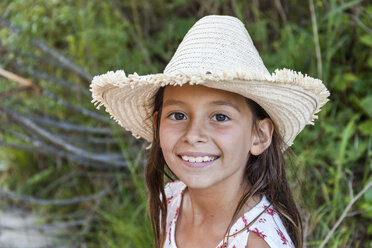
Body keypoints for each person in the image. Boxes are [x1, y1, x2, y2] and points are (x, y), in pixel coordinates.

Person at [90, 15, 329, 248]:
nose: (193, 134)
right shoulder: (171, 202)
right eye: (178, 115)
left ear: (260, 136)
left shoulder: (256, 241)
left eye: (220, 117)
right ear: (157, 126)